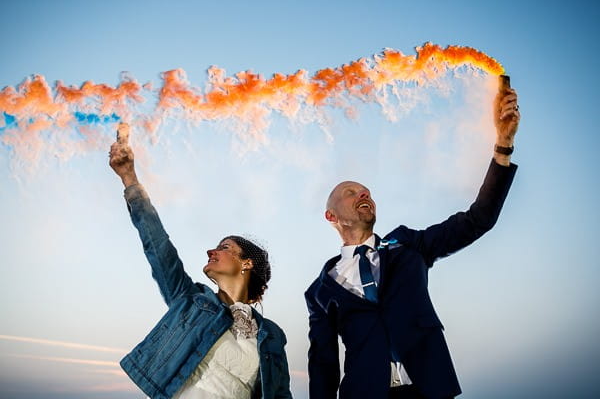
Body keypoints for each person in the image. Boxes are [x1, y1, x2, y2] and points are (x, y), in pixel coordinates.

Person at [304, 82, 521, 399]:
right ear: (331, 216)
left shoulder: (409, 246)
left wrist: (503, 144)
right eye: (350, 192)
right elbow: (323, 365)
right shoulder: (320, 291)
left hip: (430, 389)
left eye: (366, 191)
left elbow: (478, 220)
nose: (363, 194)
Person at [109, 123, 292, 399]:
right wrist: (129, 178)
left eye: (224, 247)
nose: (211, 251)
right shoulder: (190, 301)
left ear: (246, 263)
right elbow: (157, 245)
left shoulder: (272, 336)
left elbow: (279, 395)